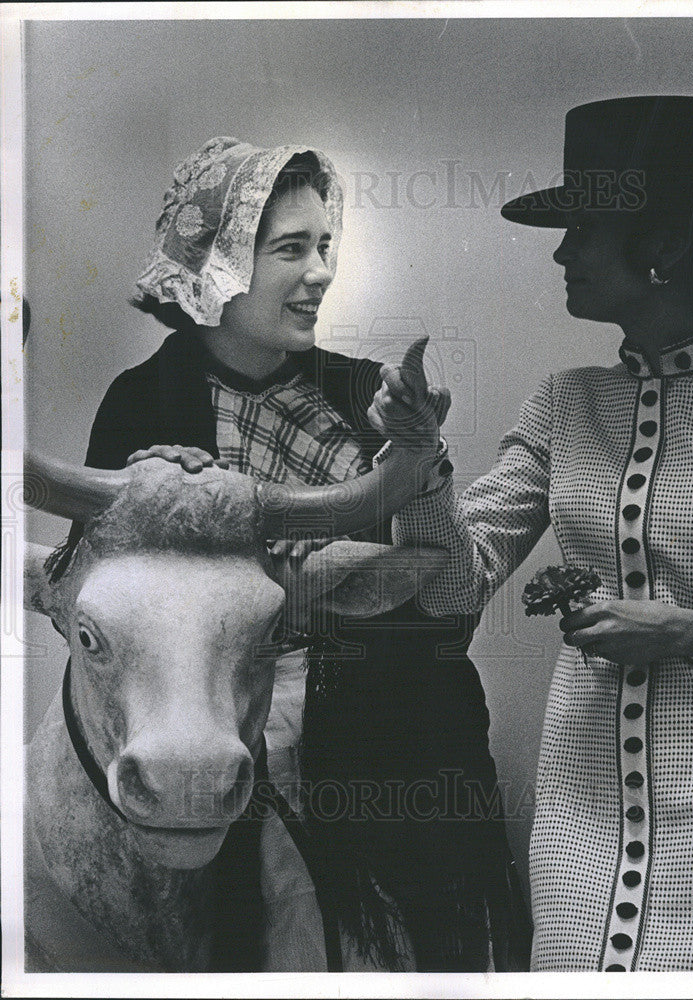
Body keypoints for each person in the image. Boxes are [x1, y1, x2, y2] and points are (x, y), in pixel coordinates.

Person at [57, 137, 531, 972]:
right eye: (289, 249)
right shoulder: (139, 404)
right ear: (218, 261)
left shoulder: (372, 395)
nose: (318, 272)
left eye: (324, 247)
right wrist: (168, 498)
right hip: (214, 734)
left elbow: (449, 597)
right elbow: (104, 606)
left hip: (384, 756)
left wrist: (416, 461)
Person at [368, 97, 693, 971]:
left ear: (663, 247)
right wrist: (414, 454)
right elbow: (452, 585)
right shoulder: (566, 403)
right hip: (580, 827)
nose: (561, 252)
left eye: (582, 229)